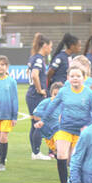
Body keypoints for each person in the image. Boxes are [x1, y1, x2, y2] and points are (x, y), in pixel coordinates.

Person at [34, 65, 92, 183]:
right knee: (61, 155)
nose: (75, 79)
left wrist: (89, 126)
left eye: (78, 76)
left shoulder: (89, 94)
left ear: (84, 78)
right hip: (65, 128)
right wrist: (43, 120)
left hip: (81, 131)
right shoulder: (64, 92)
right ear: (68, 78)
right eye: (72, 76)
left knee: (75, 159)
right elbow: (52, 105)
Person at [25, 33, 53, 161]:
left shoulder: (34, 58)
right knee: (38, 123)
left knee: (34, 123)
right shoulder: (38, 59)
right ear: (45, 46)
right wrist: (39, 89)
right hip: (36, 96)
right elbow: (35, 75)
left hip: (32, 95)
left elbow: (29, 72)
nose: (51, 49)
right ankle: (36, 153)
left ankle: (35, 152)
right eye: (50, 46)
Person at [33, 82, 64, 157]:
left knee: (61, 151)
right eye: (55, 94)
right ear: (51, 93)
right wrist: (47, 117)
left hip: (60, 131)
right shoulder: (46, 102)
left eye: (59, 95)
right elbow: (36, 115)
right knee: (58, 154)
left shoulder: (65, 104)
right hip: (48, 133)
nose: (57, 98)